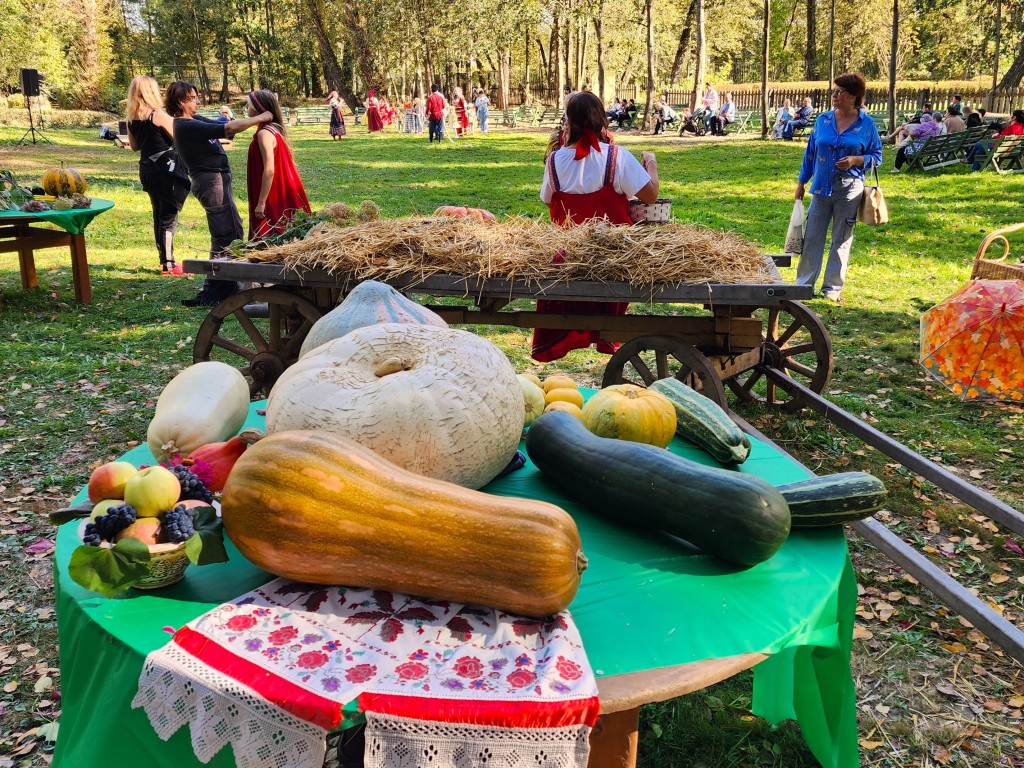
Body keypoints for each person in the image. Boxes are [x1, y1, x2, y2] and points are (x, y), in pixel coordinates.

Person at [532, 91, 660, 362]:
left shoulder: (553, 161)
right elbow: (650, 196)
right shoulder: (617, 157)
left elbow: (548, 201)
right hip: (611, 257)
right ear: (601, 118)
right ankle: (606, 331)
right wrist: (651, 162)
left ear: (568, 123)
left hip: (566, 259)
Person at [164, 80, 272, 306]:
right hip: (211, 182)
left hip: (217, 180)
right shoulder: (184, 125)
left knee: (228, 230)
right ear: (182, 100)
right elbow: (228, 129)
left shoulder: (193, 119)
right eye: (193, 97)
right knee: (227, 233)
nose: (197, 101)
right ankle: (217, 290)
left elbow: (225, 127)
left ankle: (220, 287)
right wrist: (261, 118)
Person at [793, 73, 882, 303]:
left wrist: (855, 160)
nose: (834, 95)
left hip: (849, 189)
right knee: (812, 237)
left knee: (841, 239)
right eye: (833, 91)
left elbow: (877, 155)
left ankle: (832, 288)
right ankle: (804, 285)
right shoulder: (823, 120)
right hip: (821, 188)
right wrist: (801, 182)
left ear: (853, 96)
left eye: (839, 91)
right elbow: (810, 153)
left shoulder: (866, 124)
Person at [126, 75, 190, 276]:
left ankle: (164, 260)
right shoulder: (157, 115)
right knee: (169, 216)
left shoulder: (132, 118)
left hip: (147, 169)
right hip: (166, 170)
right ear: (151, 91)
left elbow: (135, 147)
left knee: (159, 214)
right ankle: (169, 264)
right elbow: (180, 137)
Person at [245, 90, 312, 241]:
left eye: (248, 104)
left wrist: (261, 202)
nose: (246, 107)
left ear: (258, 108)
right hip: (277, 189)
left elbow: (269, 170)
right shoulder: (275, 129)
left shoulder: (264, 134)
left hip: (272, 193)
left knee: (271, 235)